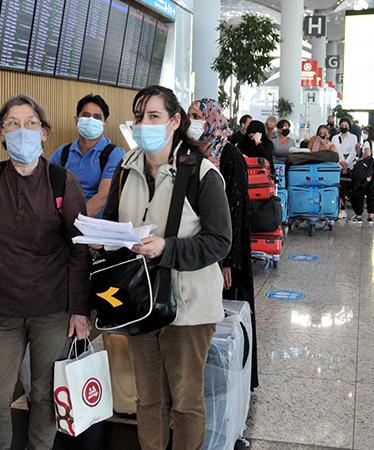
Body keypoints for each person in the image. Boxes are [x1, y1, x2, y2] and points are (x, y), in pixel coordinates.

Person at [0, 94, 91, 450]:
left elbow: (80, 247)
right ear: (0, 133)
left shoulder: (62, 183)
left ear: (44, 133)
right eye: (12, 123)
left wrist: (80, 310)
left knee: (44, 395)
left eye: (30, 123)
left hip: (52, 308)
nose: (21, 130)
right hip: (0, 310)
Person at [102, 85, 232, 450]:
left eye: (154, 116)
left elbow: (219, 241)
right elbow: (114, 222)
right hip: (140, 303)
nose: (145, 124)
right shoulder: (127, 169)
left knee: (186, 402)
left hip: (188, 308)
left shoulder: (201, 173)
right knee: (149, 400)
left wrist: (166, 248)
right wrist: (105, 239)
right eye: (140, 117)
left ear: (175, 121)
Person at [187, 97, 258, 390]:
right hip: (196, 249)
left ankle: (228, 384)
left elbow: (236, 214)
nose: (192, 121)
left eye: (197, 116)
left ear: (213, 119)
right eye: (189, 115)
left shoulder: (229, 157)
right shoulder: (190, 153)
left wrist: (227, 260)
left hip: (225, 254)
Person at [50, 94, 125, 217]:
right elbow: (45, 185)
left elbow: (103, 196)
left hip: (95, 226)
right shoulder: (62, 152)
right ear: (76, 120)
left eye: (97, 117)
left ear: (105, 124)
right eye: (85, 115)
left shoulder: (115, 154)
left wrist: (74, 222)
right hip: (60, 219)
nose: (91, 120)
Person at [350, 126, 374, 224]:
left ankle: (358, 215)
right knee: (372, 192)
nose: (363, 133)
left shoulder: (367, 142)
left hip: (366, 170)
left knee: (360, 191)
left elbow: (367, 154)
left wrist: (360, 158)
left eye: (365, 132)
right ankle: (371, 215)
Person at [332, 118, 359, 219]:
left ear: (349, 126)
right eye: (342, 125)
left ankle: (355, 211)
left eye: (346, 125)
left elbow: (354, 151)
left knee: (351, 188)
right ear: (339, 126)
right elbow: (335, 150)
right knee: (341, 188)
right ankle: (341, 209)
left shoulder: (353, 137)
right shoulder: (335, 137)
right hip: (338, 165)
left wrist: (346, 163)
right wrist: (341, 162)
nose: (344, 127)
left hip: (350, 165)